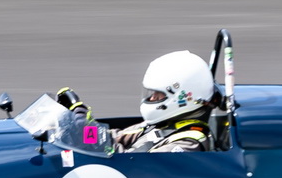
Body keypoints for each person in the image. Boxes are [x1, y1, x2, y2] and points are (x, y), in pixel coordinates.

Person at [58, 50, 219, 153]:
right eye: (152, 93)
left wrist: (88, 132)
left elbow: (135, 166)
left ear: (182, 97)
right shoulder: (160, 124)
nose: (152, 99)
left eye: (159, 94)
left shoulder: (188, 143)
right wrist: (85, 128)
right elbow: (113, 138)